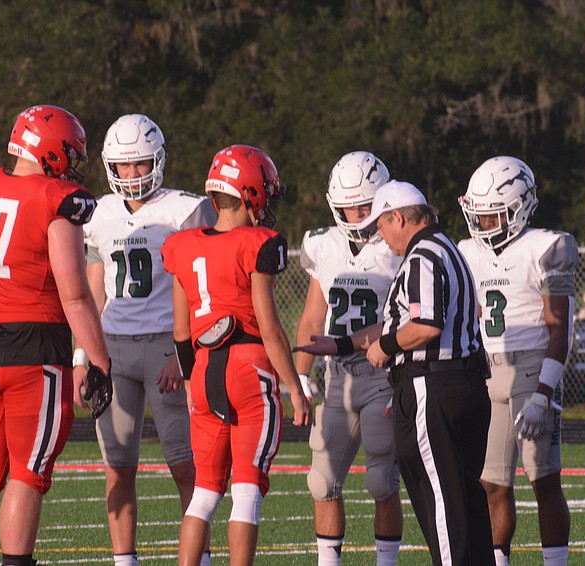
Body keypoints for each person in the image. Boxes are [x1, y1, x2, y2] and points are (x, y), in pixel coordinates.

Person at [296, 180, 494, 566]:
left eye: (381, 225)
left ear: (399, 218)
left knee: (442, 504)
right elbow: (397, 323)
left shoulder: (423, 255)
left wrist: (385, 348)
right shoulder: (447, 248)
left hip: (433, 386)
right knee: (466, 502)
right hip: (462, 382)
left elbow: (425, 326)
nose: (380, 236)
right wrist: (341, 344)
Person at [0, 104, 112, 566]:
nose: (73, 166)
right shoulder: (53, 197)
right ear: (52, 151)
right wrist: (100, 360)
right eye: (70, 154)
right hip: (34, 349)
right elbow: (75, 295)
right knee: (28, 473)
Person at [162, 144, 312, 566]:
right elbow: (271, 329)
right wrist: (295, 388)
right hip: (249, 368)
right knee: (246, 490)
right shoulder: (258, 242)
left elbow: (181, 331)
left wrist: (190, 381)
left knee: (204, 492)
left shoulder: (181, 245)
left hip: (203, 369)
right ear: (251, 194)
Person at [79, 113, 216, 565]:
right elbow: (93, 290)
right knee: (117, 468)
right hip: (113, 349)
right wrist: (83, 355)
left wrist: (185, 352)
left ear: (157, 161)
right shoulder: (98, 213)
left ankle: (200, 559)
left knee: (185, 466)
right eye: (125, 164)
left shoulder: (185, 210)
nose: (133, 173)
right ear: (110, 166)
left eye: (141, 163)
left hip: (165, 346)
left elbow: (200, 289)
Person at [458, 156, 575, 566]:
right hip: (485, 368)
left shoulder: (546, 247)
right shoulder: (466, 251)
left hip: (532, 367)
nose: (485, 224)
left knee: (544, 478)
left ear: (521, 206)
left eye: (495, 215)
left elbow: (559, 328)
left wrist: (544, 392)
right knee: (491, 482)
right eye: (481, 215)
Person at [294, 151, 404, 565]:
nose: (356, 215)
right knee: (322, 482)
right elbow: (312, 316)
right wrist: (301, 380)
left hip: (382, 374)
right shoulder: (324, 244)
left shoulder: (398, 245)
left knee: (381, 480)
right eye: (348, 206)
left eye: (364, 205)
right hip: (336, 377)